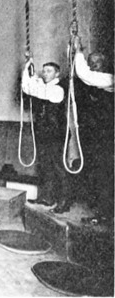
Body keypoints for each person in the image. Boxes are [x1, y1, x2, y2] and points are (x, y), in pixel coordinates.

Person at [72, 37, 114, 225]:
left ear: (104, 64)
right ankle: (102, 212)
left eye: (96, 62)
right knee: (96, 174)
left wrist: (78, 51)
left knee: (105, 174)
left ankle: (105, 215)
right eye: (90, 62)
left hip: (108, 137)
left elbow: (84, 74)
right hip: (94, 135)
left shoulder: (109, 79)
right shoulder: (93, 84)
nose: (93, 66)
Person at [22, 59, 71, 213]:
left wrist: (33, 80)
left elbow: (37, 91)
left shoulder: (58, 89)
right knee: (45, 165)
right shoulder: (44, 86)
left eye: (49, 71)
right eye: (44, 71)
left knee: (58, 167)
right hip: (45, 132)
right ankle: (47, 198)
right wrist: (27, 68)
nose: (45, 74)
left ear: (57, 73)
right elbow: (26, 88)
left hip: (57, 134)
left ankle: (64, 202)